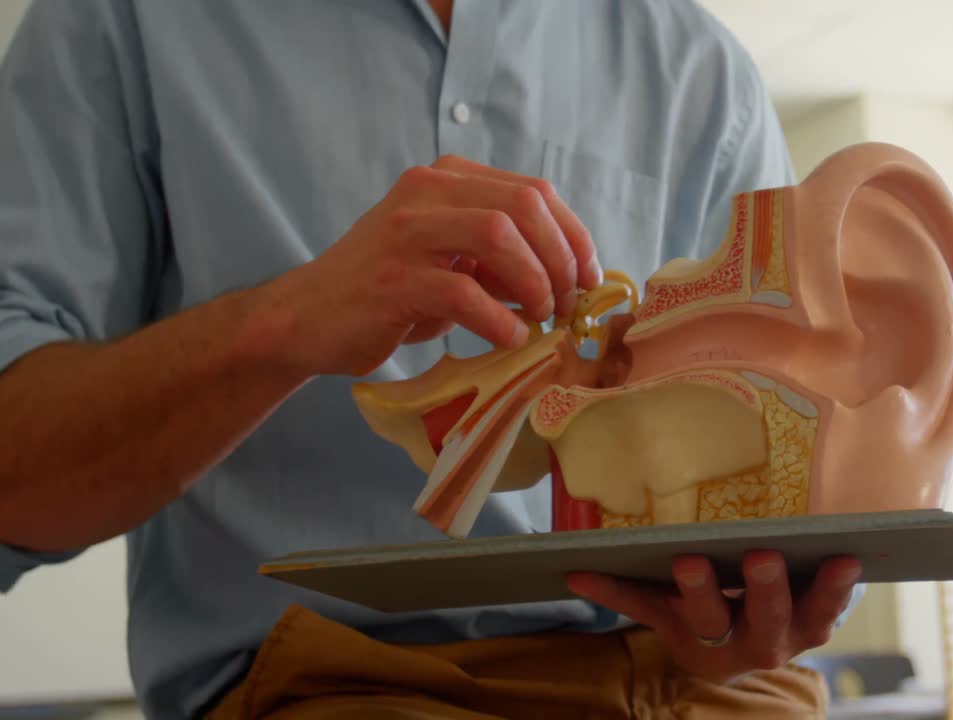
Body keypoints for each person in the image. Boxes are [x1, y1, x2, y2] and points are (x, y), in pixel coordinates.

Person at [0, 1, 863, 717]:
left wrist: (764, 602)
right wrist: (285, 323)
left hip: (709, 684)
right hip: (342, 688)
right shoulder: (122, 23)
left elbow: (792, 458)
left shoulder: (703, 72)